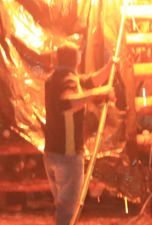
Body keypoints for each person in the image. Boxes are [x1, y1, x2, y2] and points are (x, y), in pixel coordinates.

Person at [43, 44, 116, 225]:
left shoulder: (58, 77)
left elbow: (90, 81)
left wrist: (111, 65)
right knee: (67, 213)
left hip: (52, 154)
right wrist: (98, 93)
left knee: (63, 208)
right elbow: (66, 104)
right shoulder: (67, 80)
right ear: (78, 60)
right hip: (66, 156)